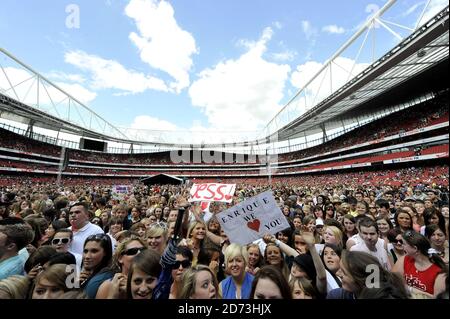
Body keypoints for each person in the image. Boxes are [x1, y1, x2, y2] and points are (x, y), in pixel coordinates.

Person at [327, 251, 409, 299]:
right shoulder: (336, 296)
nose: (338, 273)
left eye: (344, 272)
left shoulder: (390, 295)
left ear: (361, 280)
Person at [392, 230, 447, 298]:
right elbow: (394, 284)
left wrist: (411, 290)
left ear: (415, 248)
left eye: (404, 243)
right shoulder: (404, 260)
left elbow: (437, 297)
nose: (401, 245)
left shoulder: (439, 272)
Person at [80, 233, 113, 298]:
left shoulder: (101, 279)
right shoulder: (86, 276)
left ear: (105, 253)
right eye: (85, 251)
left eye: (94, 251)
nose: (87, 256)